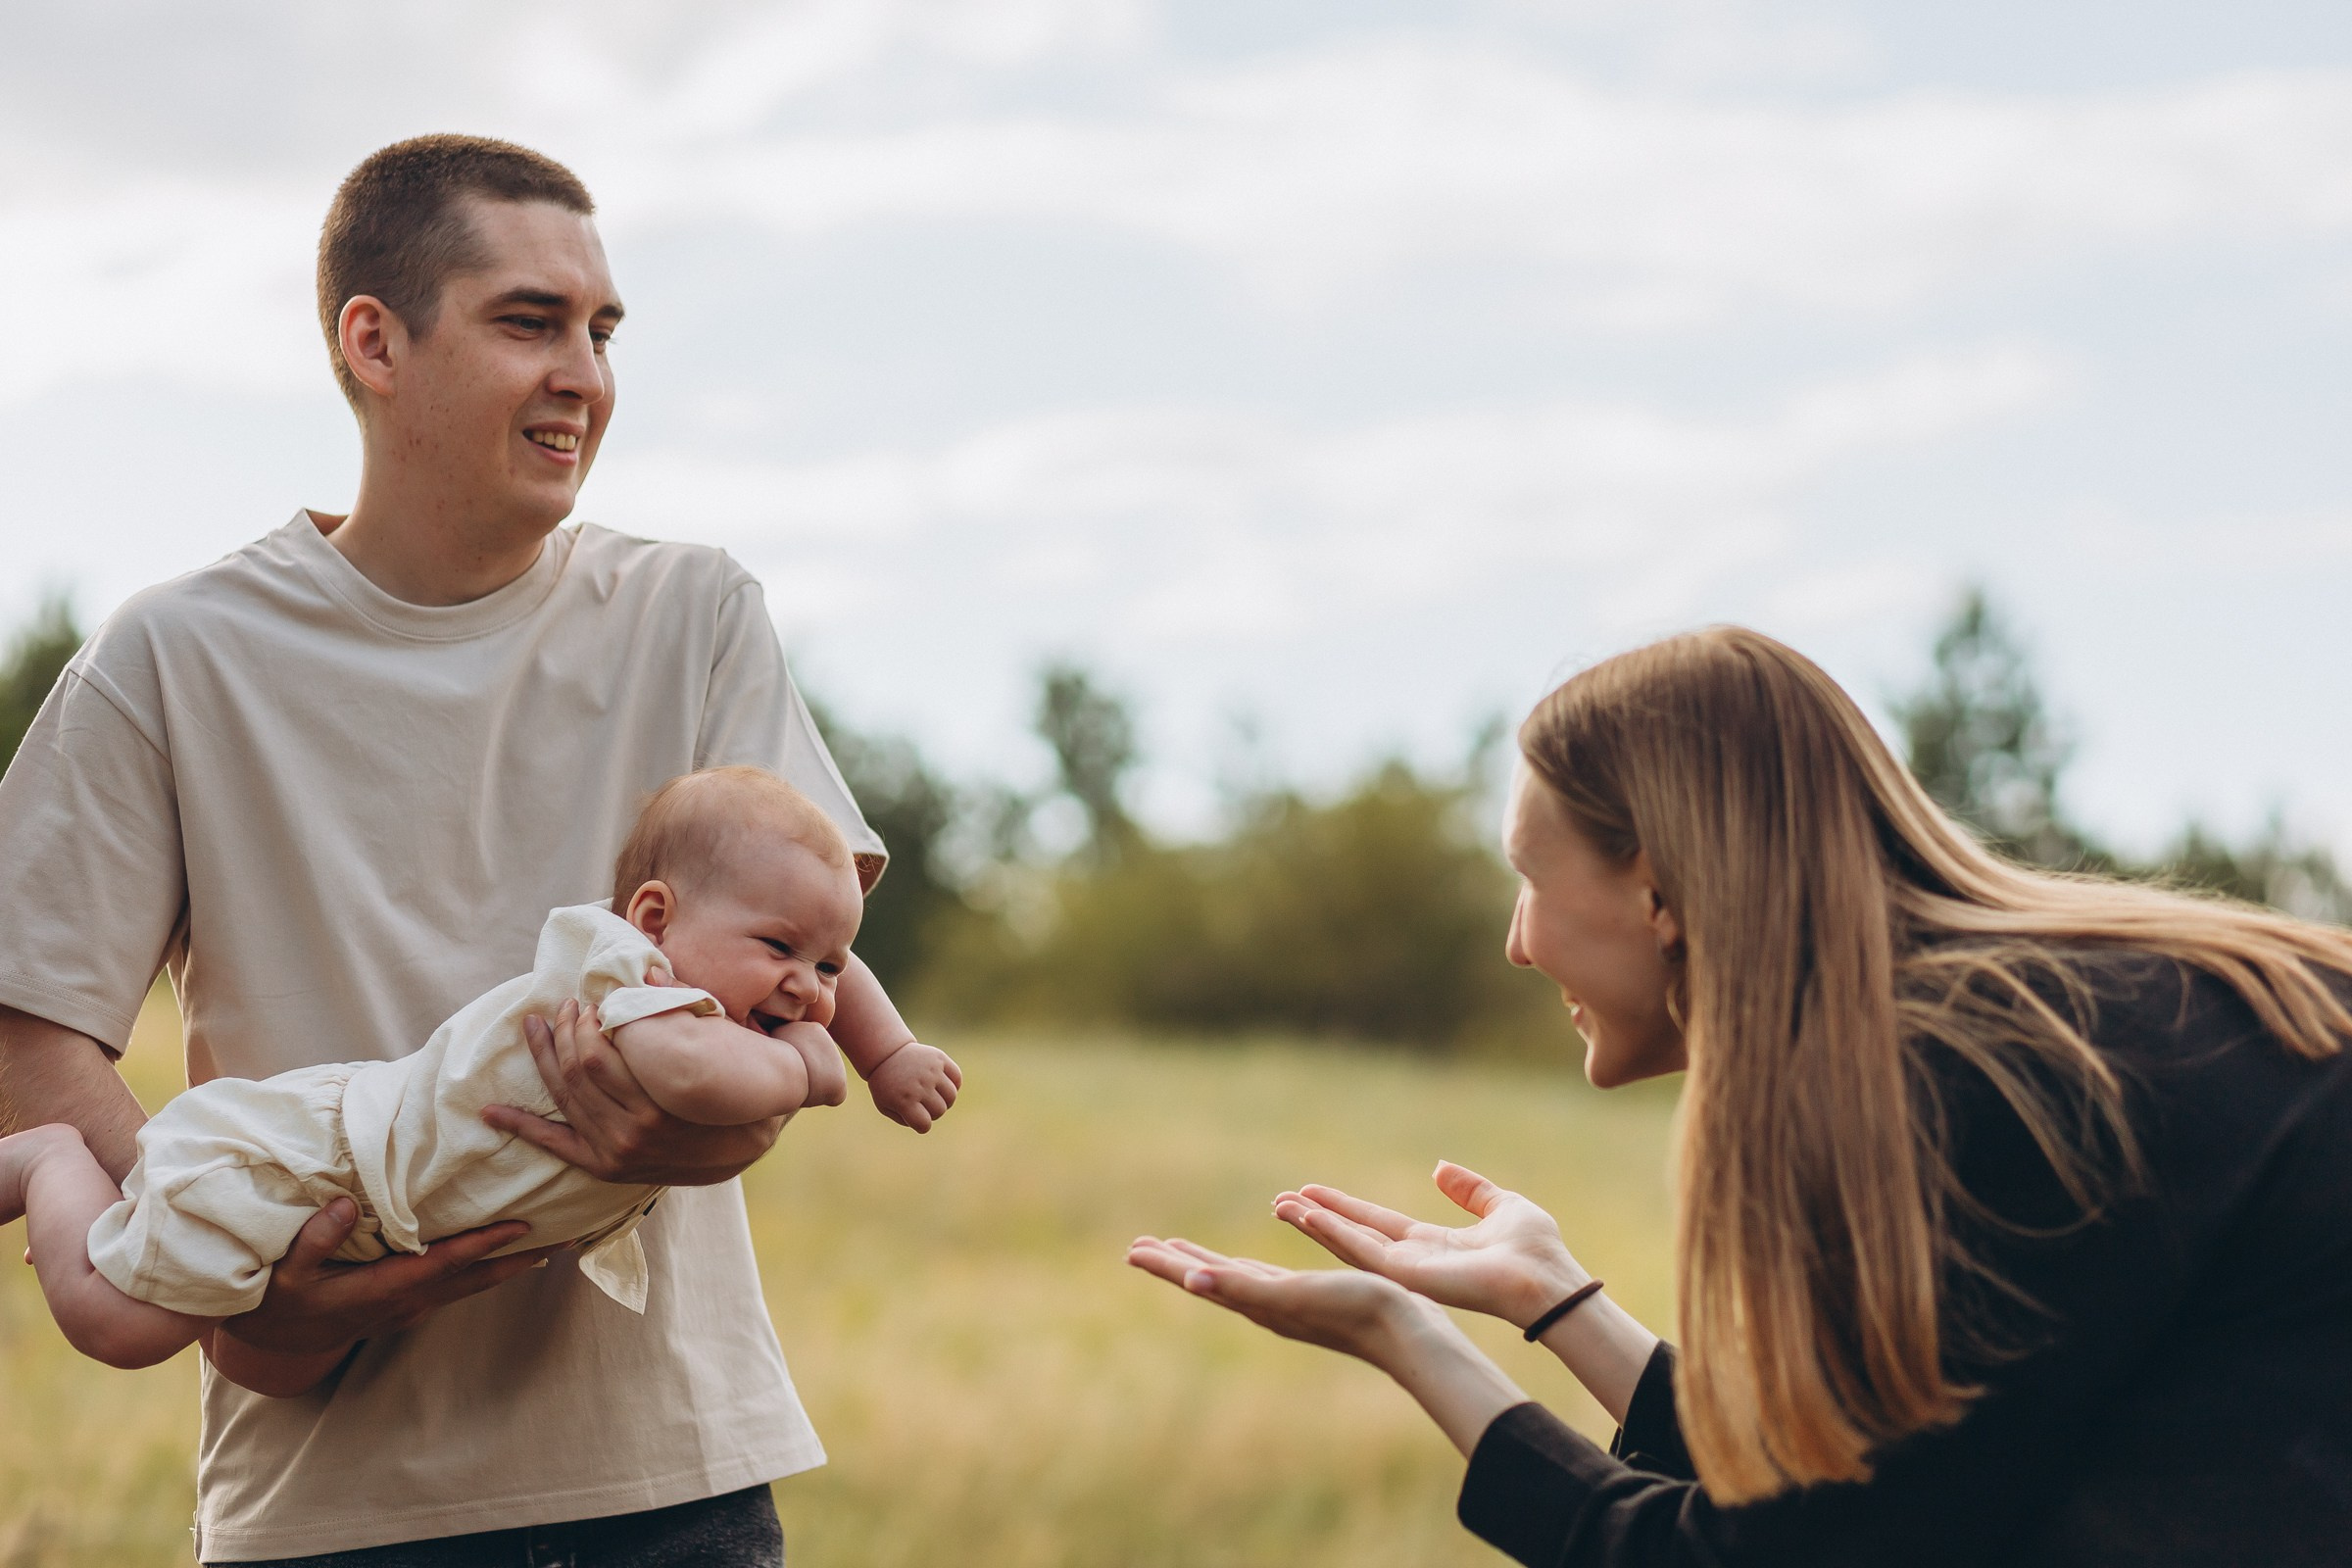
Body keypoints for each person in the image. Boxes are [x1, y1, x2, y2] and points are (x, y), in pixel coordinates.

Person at [0, 135, 937, 1563]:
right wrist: (248, 1291)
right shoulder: (171, 657)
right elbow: (33, 1035)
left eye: (602, 330)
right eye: (529, 322)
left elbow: (798, 996)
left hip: (670, 1492)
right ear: (374, 341)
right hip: (325, 1509)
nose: (585, 374)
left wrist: (723, 1115)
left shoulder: (694, 615)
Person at [1130, 625, 2352, 1566]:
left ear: (1658, 886)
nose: (1515, 940)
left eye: (1529, 877)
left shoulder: (1985, 1079)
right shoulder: (2047, 1020)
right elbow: (1889, 1496)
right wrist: (1560, 1305)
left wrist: (1406, 1340)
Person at [2, 766, 961, 1367]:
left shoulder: (732, 967)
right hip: (303, 1164)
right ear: (658, 916)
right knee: (122, 1327)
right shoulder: (630, 977)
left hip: (359, 1191)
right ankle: (47, 1159)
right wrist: (813, 1072)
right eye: (782, 951)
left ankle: (65, 1181)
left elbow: (829, 947)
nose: (811, 990)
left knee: (135, 1307)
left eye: (827, 966)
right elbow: (697, 1076)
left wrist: (887, 1052)